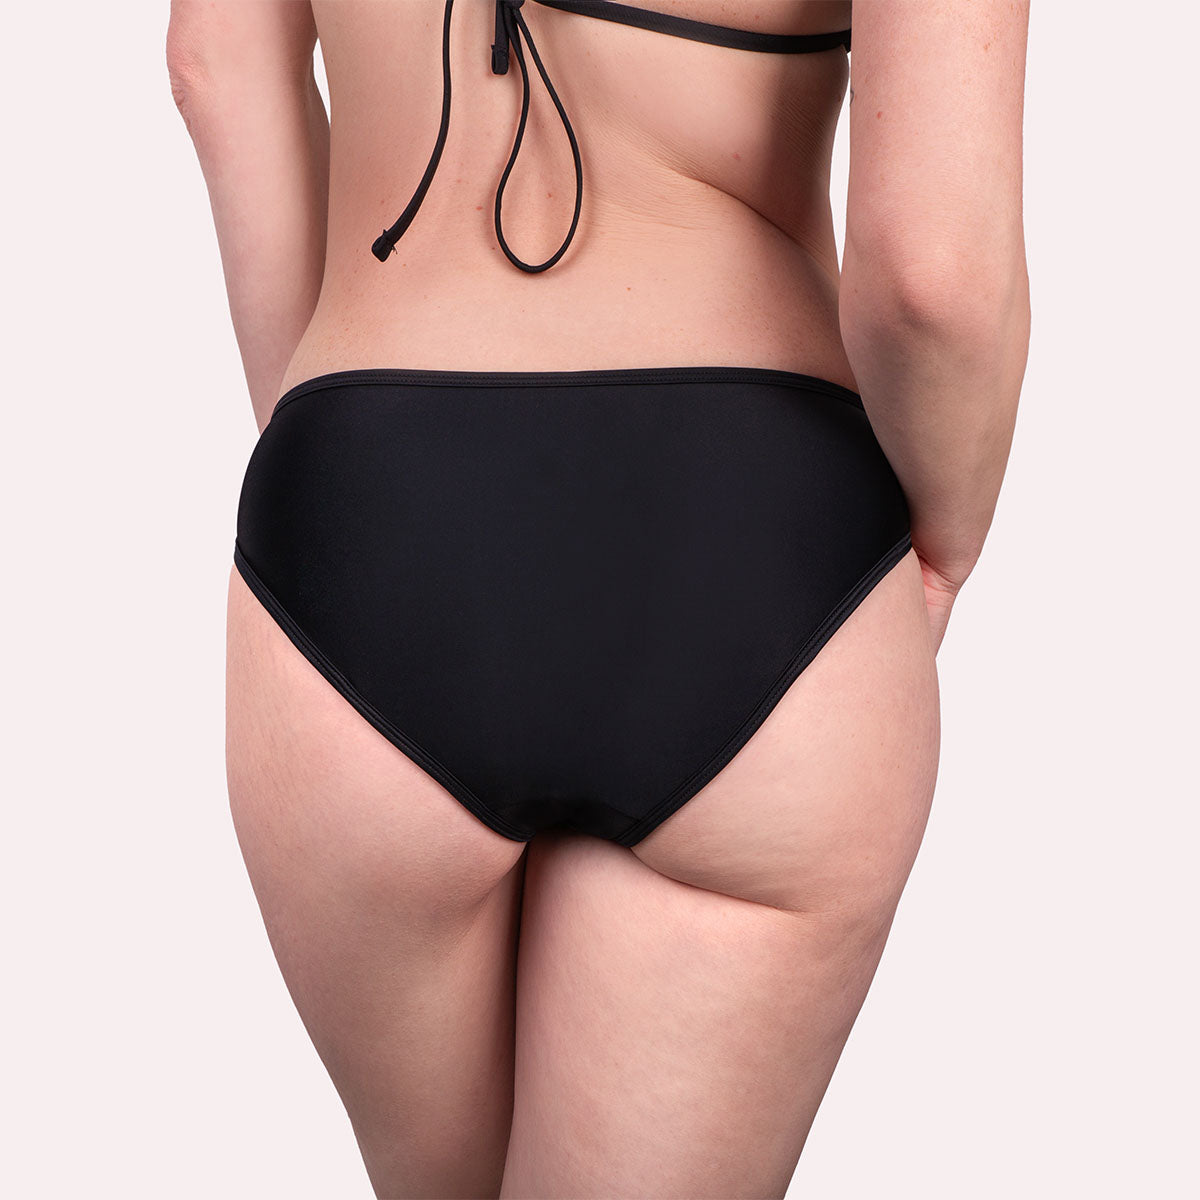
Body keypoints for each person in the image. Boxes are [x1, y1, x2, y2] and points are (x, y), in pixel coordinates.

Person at [167, 1, 1030, 1195]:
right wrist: (946, 544)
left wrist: (342, 457)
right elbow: (933, 279)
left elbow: (214, 66)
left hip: (372, 515)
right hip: (748, 541)